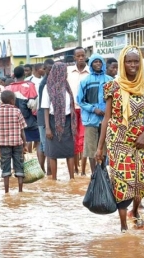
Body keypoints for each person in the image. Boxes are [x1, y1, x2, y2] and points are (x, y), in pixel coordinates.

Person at [95, 45, 144, 232]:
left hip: (139, 138)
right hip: (117, 139)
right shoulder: (112, 87)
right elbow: (106, 118)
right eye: (129, 61)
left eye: (136, 61)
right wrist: (100, 148)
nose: (133, 65)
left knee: (140, 180)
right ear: (122, 63)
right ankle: (123, 227)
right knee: (122, 180)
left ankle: (135, 211)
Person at [77, 53, 112, 174]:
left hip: (106, 120)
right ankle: (94, 174)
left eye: (100, 62)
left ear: (103, 64)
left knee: (106, 148)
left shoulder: (110, 80)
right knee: (91, 149)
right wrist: (93, 109)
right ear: (91, 64)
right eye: (95, 62)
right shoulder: (85, 81)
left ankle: (104, 173)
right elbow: (80, 100)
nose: (98, 64)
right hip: (91, 119)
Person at [42, 63, 77, 181]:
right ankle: (54, 179)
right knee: (53, 152)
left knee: (69, 151)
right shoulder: (48, 88)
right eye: (64, 71)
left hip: (68, 121)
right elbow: (45, 108)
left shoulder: (67, 87)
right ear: (58, 72)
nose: (66, 74)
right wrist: (47, 127)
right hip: (53, 121)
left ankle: (72, 178)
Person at [0, 90, 27, 193]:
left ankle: (6, 192)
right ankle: (20, 191)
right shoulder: (17, 111)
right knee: (19, 166)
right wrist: (25, 144)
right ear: (12, 101)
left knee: (5, 168)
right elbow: (22, 129)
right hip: (17, 143)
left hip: (3, 144)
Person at [5, 66, 39, 157]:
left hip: (12, 122)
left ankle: (19, 167)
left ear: (14, 75)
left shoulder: (8, 88)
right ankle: (41, 167)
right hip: (28, 120)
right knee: (39, 141)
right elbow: (33, 105)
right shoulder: (30, 85)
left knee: (17, 145)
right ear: (24, 74)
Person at [68, 47, 91, 175]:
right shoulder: (68, 72)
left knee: (83, 139)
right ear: (74, 57)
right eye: (78, 56)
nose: (81, 58)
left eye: (83, 55)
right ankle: (75, 168)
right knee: (73, 138)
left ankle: (82, 170)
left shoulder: (90, 72)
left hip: (86, 109)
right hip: (71, 109)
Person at [37, 59, 55, 173]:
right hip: (44, 116)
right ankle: (46, 171)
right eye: (49, 69)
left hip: (46, 116)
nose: (51, 71)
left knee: (46, 145)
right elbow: (45, 105)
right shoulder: (45, 83)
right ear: (44, 69)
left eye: (53, 69)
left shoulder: (50, 81)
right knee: (46, 145)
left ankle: (45, 171)